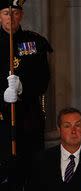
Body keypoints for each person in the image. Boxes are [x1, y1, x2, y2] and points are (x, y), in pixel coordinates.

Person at [0, 0, 53, 163]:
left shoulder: (35, 42)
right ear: (0, 16)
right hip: (2, 120)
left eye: (15, 13)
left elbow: (44, 79)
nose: (11, 18)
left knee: (31, 168)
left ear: (21, 15)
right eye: (6, 13)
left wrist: (23, 88)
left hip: (28, 119)